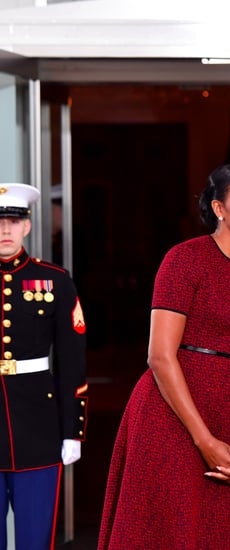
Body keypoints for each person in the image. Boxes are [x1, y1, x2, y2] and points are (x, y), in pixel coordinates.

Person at [98, 164, 230, 549]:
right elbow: (160, 356)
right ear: (219, 208)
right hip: (171, 416)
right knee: (167, 530)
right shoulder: (185, 259)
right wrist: (205, 441)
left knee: (228, 532)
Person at [0, 183, 87, 550]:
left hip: (38, 425)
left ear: (27, 227)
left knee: (35, 539)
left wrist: (73, 430)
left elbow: (71, 359)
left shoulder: (55, 280)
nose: (4, 229)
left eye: (12, 221)